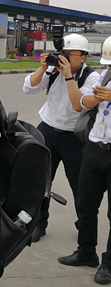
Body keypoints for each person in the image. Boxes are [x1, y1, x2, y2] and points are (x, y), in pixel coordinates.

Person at [23, 33, 99, 242]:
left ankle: (84, 224)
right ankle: (39, 223)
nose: (63, 58)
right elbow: (28, 88)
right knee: (40, 181)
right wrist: (42, 68)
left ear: (83, 57)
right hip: (47, 130)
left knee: (80, 185)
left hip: (73, 137)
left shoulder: (91, 77)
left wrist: (68, 76)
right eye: (62, 53)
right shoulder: (53, 70)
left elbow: (79, 104)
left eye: (69, 54)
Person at [58, 36, 111, 284]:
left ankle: (109, 264)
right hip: (94, 148)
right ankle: (86, 251)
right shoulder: (104, 76)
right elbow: (82, 102)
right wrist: (99, 98)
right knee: (86, 204)